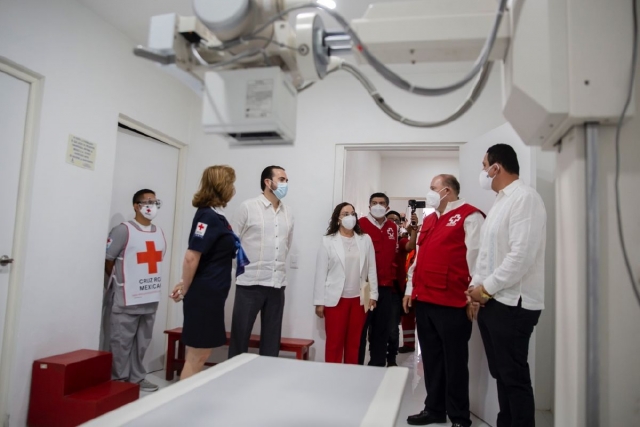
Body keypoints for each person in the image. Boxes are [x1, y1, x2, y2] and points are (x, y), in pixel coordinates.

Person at [466, 144, 546, 427]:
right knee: (502, 374)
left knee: (514, 378)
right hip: (493, 301)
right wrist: (476, 288)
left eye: (484, 164)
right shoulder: (500, 201)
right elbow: (487, 254)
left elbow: (520, 256)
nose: (482, 171)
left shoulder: (525, 198)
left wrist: (485, 289)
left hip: (514, 303)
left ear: (496, 167)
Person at [403, 175, 485, 426]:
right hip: (425, 298)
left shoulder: (470, 216)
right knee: (431, 358)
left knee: (455, 361)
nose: (429, 193)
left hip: (452, 301)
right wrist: (409, 288)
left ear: (447, 190)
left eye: (432, 188)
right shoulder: (430, 219)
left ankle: (459, 416)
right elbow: (418, 257)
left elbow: (479, 258)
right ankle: (434, 409)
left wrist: (474, 296)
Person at [170, 165, 238, 380]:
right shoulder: (207, 216)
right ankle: (181, 404)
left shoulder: (217, 216)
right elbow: (192, 256)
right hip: (203, 296)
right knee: (198, 355)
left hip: (212, 295)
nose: (233, 188)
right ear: (222, 186)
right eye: (231, 183)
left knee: (202, 352)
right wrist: (185, 288)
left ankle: (187, 400)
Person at [102, 189, 165, 392]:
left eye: (155, 202)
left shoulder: (159, 232)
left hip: (150, 298)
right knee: (121, 343)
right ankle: (119, 381)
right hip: (127, 298)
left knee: (142, 343)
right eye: (147, 202)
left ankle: (137, 378)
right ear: (136, 206)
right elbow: (108, 260)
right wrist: (123, 281)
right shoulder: (123, 230)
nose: (151, 206)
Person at [228, 165, 295, 358]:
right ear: (268, 182)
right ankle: (233, 378)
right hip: (250, 283)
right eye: (282, 179)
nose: (285, 184)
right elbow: (232, 242)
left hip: (276, 283)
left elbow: (286, 245)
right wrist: (243, 269)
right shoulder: (247, 207)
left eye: (286, 180)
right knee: (240, 336)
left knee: (272, 338)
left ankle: (266, 380)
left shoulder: (288, 212)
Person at [313, 202, 378, 364]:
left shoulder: (365, 239)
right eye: (345, 213)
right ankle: (332, 378)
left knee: (354, 343)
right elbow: (321, 273)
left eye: (353, 213)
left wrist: (373, 295)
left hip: (359, 299)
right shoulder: (328, 241)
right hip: (335, 300)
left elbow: (371, 269)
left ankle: (351, 378)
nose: (350, 217)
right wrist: (319, 302)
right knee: (334, 344)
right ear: (338, 219)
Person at [358, 192, 398, 367]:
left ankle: (377, 363)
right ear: (369, 206)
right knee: (361, 328)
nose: (378, 206)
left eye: (381, 203)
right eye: (374, 203)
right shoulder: (360, 225)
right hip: (365, 287)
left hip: (386, 286)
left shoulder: (392, 227)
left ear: (387, 207)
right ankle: (357, 364)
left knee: (382, 329)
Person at [385, 210, 418, 367]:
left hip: (395, 290)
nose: (393, 222)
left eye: (396, 220)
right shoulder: (376, 238)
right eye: (390, 219)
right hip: (376, 290)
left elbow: (411, 245)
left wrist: (414, 229)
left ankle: (391, 359)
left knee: (393, 327)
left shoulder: (401, 240)